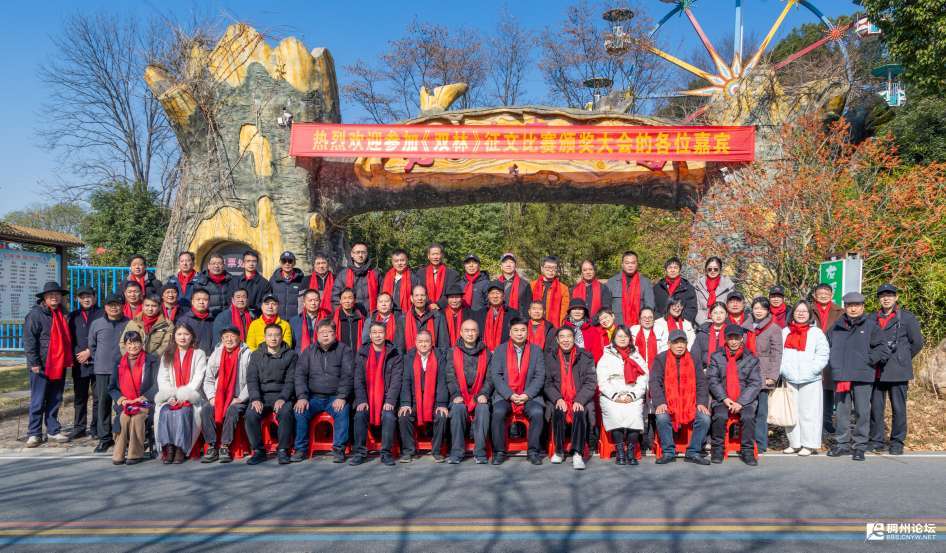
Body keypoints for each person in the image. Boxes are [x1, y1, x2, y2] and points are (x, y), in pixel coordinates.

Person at [827, 292, 891, 461]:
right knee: (842, 412)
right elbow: (826, 346)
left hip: (863, 375)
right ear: (845, 307)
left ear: (862, 307)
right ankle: (842, 444)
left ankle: (860, 446)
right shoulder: (836, 327)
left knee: (862, 412)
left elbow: (882, 349)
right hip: (842, 376)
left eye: (856, 305)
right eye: (850, 305)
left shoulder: (871, 326)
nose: (853, 309)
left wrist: (869, 361)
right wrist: (833, 363)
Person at [868, 284, 924, 456]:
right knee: (876, 408)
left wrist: (903, 357)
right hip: (876, 369)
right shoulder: (871, 318)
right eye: (882, 296)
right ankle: (876, 440)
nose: (886, 298)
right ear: (879, 299)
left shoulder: (906, 317)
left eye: (890, 295)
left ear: (896, 297)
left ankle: (897, 442)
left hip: (898, 370)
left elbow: (917, 342)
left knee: (898, 408)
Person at [291, 319, 353, 463]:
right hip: (313, 397)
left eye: (329, 332)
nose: (325, 335)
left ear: (335, 334)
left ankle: (339, 449)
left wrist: (342, 396)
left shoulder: (344, 350)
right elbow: (300, 375)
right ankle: (300, 449)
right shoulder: (308, 351)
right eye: (322, 332)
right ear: (317, 335)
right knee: (300, 411)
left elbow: (348, 375)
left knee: (342, 410)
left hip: (335, 397)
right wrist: (302, 397)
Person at [489, 317, 546, 465]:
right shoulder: (500, 350)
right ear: (510, 332)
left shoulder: (536, 351)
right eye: (516, 330)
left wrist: (527, 395)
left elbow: (540, 376)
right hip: (505, 395)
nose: (519, 333)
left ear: (527, 332)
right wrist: (509, 394)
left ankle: (533, 451)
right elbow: (496, 376)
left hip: (530, 395)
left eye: (523, 330)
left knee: (537, 412)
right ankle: (499, 452)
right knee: (498, 412)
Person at [23, 281, 74, 447]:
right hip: (42, 364)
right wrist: (34, 362)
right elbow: (30, 340)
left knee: (55, 398)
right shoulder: (35, 315)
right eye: (50, 295)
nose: (54, 297)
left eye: (57, 294)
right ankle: (34, 433)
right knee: (38, 399)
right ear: (44, 298)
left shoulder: (63, 314)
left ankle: (53, 430)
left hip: (59, 362)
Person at [650, 330, 711, 465]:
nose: (679, 346)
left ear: (686, 344)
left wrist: (701, 403)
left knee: (704, 418)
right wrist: (660, 402)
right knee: (662, 417)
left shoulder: (693, 359)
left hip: (690, 403)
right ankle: (668, 452)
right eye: (676, 342)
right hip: (668, 402)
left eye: (682, 342)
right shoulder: (661, 359)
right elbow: (654, 382)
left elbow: (701, 382)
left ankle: (693, 452)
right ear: (669, 344)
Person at [779, 301, 830, 456]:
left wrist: (813, 370)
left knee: (809, 413)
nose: (801, 314)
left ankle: (809, 444)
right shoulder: (785, 331)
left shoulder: (816, 333)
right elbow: (779, 354)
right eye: (798, 311)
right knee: (791, 413)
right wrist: (784, 370)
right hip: (790, 378)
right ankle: (794, 443)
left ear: (809, 314)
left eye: (804, 311)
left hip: (811, 379)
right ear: (793, 313)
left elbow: (823, 354)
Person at [707, 324, 762, 466]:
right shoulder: (716, 357)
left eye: (736, 338)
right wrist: (724, 398)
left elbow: (755, 383)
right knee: (720, 416)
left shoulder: (751, 358)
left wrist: (741, 402)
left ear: (741, 339)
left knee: (748, 417)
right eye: (730, 338)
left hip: (745, 400)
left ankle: (747, 451)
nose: (733, 342)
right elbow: (713, 380)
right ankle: (717, 449)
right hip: (722, 398)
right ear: (725, 339)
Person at [154, 323, 208, 464]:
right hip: (170, 396)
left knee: (183, 412)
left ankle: (180, 448)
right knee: (165, 411)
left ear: (192, 337)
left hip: (191, 396)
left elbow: (198, 378)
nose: (182, 337)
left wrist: (183, 396)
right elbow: (163, 378)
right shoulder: (167, 354)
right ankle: (169, 448)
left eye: (186, 334)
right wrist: (171, 396)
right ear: (174, 337)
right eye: (179, 334)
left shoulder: (199, 354)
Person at [351, 321, 403, 466]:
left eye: (380, 332)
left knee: (388, 416)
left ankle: (386, 453)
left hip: (386, 397)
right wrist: (362, 400)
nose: (377, 335)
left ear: (386, 334)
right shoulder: (362, 353)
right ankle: (360, 453)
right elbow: (358, 380)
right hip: (367, 397)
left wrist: (390, 401)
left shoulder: (394, 353)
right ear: (370, 335)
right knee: (360, 415)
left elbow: (396, 381)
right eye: (374, 333)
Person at [544, 326, 597, 470]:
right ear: (557, 340)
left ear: (574, 339)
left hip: (579, 397)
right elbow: (547, 383)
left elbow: (590, 382)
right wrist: (557, 398)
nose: (565, 340)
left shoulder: (585, 356)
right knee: (558, 410)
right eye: (562, 337)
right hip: (559, 396)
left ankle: (577, 453)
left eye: (569, 336)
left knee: (579, 411)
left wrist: (580, 400)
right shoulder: (550, 357)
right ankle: (559, 450)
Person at [245, 324, 298, 465]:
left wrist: (283, 398)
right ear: (265, 337)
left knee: (286, 412)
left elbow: (291, 380)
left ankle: (283, 450)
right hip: (262, 396)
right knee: (250, 414)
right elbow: (252, 379)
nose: (273, 338)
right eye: (270, 335)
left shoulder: (291, 355)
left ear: (282, 337)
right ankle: (258, 451)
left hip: (282, 395)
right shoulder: (256, 355)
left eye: (276, 335)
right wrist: (255, 398)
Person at [596, 325, 648, 465]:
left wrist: (632, 395)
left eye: (625, 336)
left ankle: (630, 451)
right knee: (615, 414)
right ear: (614, 338)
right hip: (612, 395)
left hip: (632, 394)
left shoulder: (636, 355)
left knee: (634, 415)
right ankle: (620, 451)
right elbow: (602, 381)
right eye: (619, 336)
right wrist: (615, 396)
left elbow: (643, 378)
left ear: (630, 339)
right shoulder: (606, 356)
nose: (623, 339)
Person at [200, 326, 252, 463]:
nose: (229, 339)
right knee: (206, 409)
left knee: (232, 410)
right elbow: (208, 379)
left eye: (232, 336)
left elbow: (251, 380)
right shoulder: (216, 354)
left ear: (239, 338)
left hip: (238, 397)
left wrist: (241, 398)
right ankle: (211, 445)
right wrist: (211, 397)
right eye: (225, 337)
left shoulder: (247, 354)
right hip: (219, 396)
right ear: (222, 340)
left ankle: (225, 446)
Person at [444, 319, 493, 464]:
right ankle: (457, 452)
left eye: (473, 330)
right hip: (460, 394)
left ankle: (480, 452)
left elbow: (490, 378)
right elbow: (450, 376)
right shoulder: (452, 352)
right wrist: (456, 394)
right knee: (457, 408)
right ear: (460, 333)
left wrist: (484, 394)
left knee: (483, 408)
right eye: (466, 330)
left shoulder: (486, 353)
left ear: (478, 333)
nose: (470, 334)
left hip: (480, 394)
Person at [398, 330, 449, 462]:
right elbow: (405, 382)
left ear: (432, 343)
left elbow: (442, 382)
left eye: (426, 341)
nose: (423, 344)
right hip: (415, 401)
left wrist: (441, 404)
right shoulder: (409, 358)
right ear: (415, 343)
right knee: (404, 415)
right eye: (420, 341)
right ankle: (409, 451)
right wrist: (405, 403)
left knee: (441, 415)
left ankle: (436, 451)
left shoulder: (440, 357)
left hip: (434, 401)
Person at [108, 331, 158, 465]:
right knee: (124, 417)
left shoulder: (151, 360)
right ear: (125, 345)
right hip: (126, 402)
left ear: (142, 343)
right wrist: (123, 400)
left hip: (145, 403)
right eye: (129, 343)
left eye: (136, 342)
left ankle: (135, 453)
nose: (133, 346)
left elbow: (157, 384)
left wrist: (143, 398)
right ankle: (118, 453)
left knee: (137, 417)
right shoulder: (118, 361)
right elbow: (112, 387)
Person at [88, 293, 130, 452]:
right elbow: (92, 346)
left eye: (117, 304)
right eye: (110, 305)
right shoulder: (97, 324)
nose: (114, 307)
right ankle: (104, 438)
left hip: (123, 370)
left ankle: (123, 436)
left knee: (123, 404)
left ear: (122, 306)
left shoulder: (129, 323)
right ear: (105, 307)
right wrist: (99, 359)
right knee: (102, 404)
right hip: (103, 370)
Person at [744, 297, 783, 453]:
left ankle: (760, 443)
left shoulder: (774, 328)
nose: (759, 311)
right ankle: (746, 441)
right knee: (747, 410)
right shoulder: (745, 327)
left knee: (761, 411)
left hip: (763, 373)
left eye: (762, 308)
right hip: (746, 373)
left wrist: (772, 376)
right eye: (756, 308)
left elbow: (777, 354)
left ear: (767, 311)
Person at [67, 286, 102, 439]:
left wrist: (89, 351)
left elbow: (104, 337)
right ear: (78, 299)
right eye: (82, 297)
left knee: (98, 397)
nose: (86, 299)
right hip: (79, 362)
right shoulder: (73, 316)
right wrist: (76, 355)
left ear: (94, 297)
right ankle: (79, 427)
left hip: (98, 361)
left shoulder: (103, 313)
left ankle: (96, 428)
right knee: (80, 397)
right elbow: (70, 339)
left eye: (89, 296)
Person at [811, 283, 844, 436]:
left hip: (833, 354)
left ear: (832, 295)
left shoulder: (840, 312)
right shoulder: (808, 310)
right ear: (814, 295)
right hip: (812, 355)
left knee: (829, 389)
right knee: (813, 389)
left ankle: (827, 421)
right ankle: (814, 422)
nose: (823, 295)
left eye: (826, 293)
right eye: (820, 293)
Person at [607, 251, 655, 328]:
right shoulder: (612, 282)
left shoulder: (645, 282)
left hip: (639, 326)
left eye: (633, 263)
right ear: (622, 264)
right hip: (618, 327)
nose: (630, 265)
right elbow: (607, 307)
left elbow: (650, 306)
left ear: (637, 264)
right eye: (627, 263)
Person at [332, 242, 380, 314]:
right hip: (350, 315)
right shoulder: (343, 275)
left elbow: (382, 296)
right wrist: (342, 315)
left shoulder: (375, 274)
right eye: (357, 252)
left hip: (372, 315)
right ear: (352, 254)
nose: (360, 255)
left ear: (367, 254)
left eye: (363, 252)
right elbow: (335, 297)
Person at [402, 285, 448, 350]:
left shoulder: (438, 317)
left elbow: (444, 344)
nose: (419, 298)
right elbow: (400, 347)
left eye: (422, 295)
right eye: (416, 295)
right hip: (410, 356)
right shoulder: (403, 319)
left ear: (426, 297)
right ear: (411, 298)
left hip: (434, 355)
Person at [653, 257, 698, 322]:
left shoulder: (688, 288)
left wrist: (678, 321)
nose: (672, 270)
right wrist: (662, 321)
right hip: (661, 323)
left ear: (679, 270)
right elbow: (653, 308)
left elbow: (691, 310)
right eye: (670, 267)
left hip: (681, 323)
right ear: (666, 270)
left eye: (675, 268)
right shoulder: (658, 288)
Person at [693, 257, 735, 325]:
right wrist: (704, 324)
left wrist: (719, 323)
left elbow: (730, 308)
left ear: (720, 270)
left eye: (716, 269)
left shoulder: (728, 286)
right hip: (702, 324)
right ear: (706, 270)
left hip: (723, 324)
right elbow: (695, 308)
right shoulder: (697, 286)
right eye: (710, 269)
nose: (712, 271)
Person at [415, 242, 458, 308]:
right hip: (425, 307)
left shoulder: (452, 274)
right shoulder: (420, 273)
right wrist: (429, 304)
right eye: (433, 254)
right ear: (428, 256)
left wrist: (438, 304)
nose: (435, 257)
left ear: (442, 255)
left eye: (437, 254)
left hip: (445, 308)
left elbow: (451, 293)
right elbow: (419, 291)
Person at [474, 281, 513, 351]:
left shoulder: (513, 314)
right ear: (488, 296)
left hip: (506, 351)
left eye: (498, 293)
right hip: (483, 352)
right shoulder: (479, 314)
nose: (495, 296)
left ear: (503, 295)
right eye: (492, 293)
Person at [531, 256, 569, 326]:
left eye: (554, 268)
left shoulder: (563, 288)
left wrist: (561, 327)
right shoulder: (532, 285)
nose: (551, 270)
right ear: (542, 269)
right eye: (548, 267)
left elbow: (564, 312)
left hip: (553, 326)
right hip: (534, 325)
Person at [290, 288, 332, 352]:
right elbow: (292, 344)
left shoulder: (327, 319)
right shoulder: (294, 321)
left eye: (316, 300)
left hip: (322, 355)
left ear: (320, 302)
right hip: (301, 356)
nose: (313, 303)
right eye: (310, 300)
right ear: (304, 303)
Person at [178, 287, 215, 355]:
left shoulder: (213, 320)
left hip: (209, 357)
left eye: (205, 300)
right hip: (189, 356)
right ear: (192, 302)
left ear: (209, 302)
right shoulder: (183, 320)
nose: (201, 302)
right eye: (198, 299)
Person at [269, 251, 305, 321]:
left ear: (294, 263)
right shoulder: (273, 280)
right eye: (284, 261)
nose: (287, 263)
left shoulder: (301, 280)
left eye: (290, 261)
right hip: (277, 319)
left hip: (296, 319)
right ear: (280, 263)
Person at [195, 254, 234, 318]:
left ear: (223, 266)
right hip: (208, 319)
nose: (216, 266)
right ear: (208, 266)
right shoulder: (200, 282)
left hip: (227, 318)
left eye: (219, 263)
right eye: (213, 263)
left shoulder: (231, 280)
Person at [693, 302, 729, 368]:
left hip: (726, 369)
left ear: (726, 315)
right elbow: (695, 355)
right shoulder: (702, 333)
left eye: (721, 312)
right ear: (710, 315)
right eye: (715, 313)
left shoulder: (731, 333)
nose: (718, 316)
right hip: (706, 369)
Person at [497, 253, 532, 317]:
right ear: (501, 266)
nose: (508, 265)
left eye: (511, 262)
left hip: (518, 320)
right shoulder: (495, 284)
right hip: (499, 319)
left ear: (515, 265)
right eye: (505, 262)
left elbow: (528, 306)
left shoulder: (525, 284)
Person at [238, 250, 271, 315]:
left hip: (257, 316)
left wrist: (255, 308)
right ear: (243, 263)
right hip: (238, 316)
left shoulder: (264, 283)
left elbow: (267, 301)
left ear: (257, 263)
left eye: (254, 261)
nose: (251, 264)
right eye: (248, 261)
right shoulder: (236, 281)